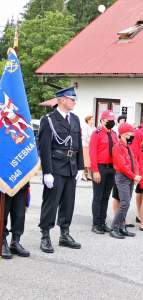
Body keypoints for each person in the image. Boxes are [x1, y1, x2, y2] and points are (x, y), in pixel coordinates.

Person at [38, 87, 84, 253]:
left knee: (68, 203)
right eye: (71, 99)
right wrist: (47, 172)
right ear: (61, 100)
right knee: (51, 203)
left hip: (71, 166)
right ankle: (45, 235)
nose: (74, 102)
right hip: (56, 167)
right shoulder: (49, 119)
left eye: (74, 99)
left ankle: (64, 234)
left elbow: (77, 144)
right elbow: (44, 148)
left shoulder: (75, 119)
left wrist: (80, 167)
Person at [89, 110, 118, 234]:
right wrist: (95, 170)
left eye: (112, 120)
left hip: (112, 168)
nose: (111, 122)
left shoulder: (114, 134)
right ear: (102, 121)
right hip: (100, 168)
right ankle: (96, 224)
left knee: (106, 197)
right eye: (108, 120)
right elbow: (92, 153)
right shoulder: (96, 134)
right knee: (98, 197)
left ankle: (102, 222)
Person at [110, 123, 142, 239]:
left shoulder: (128, 147)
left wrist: (137, 174)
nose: (132, 136)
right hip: (123, 177)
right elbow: (122, 165)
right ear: (123, 134)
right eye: (130, 134)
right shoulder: (117, 147)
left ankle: (122, 227)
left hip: (130, 177)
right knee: (124, 203)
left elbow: (135, 162)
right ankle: (114, 227)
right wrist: (134, 176)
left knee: (126, 204)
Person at [1, 184, 31, 259]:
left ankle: (15, 241)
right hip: (4, 180)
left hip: (21, 180)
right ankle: (2, 241)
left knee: (19, 214)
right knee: (2, 213)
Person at [81, 115, 94, 181]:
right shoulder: (85, 126)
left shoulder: (92, 127)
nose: (92, 121)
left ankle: (89, 175)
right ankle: (83, 175)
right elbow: (85, 137)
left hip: (90, 146)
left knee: (89, 161)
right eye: (91, 119)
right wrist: (91, 142)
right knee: (85, 161)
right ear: (88, 120)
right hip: (85, 145)